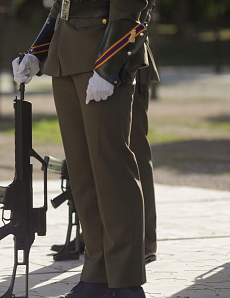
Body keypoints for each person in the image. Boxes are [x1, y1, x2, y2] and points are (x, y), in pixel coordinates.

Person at [13, 0, 150, 298]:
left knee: (111, 172)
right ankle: (97, 276)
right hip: (66, 61)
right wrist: (38, 53)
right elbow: (63, 7)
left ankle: (127, 285)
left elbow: (128, 8)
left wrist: (108, 67)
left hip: (100, 59)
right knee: (83, 175)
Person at [50, 0, 159, 265]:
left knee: (122, 158)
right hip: (82, 51)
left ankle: (140, 243)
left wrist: (109, 64)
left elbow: (131, 8)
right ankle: (99, 249)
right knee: (90, 164)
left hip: (116, 53)